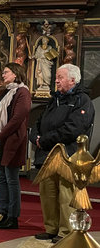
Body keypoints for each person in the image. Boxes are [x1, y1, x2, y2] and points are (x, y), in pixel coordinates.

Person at [29, 64, 95, 243]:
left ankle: (65, 231)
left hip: (68, 154)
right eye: (56, 77)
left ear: (73, 80)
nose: (56, 80)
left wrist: (44, 140)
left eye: (60, 77)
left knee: (66, 194)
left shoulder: (82, 101)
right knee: (47, 192)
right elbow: (38, 122)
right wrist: (34, 136)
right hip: (48, 155)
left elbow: (73, 129)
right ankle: (51, 228)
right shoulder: (54, 100)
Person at [0, 63, 31, 229]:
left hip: (12, 140)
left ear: (16, 74)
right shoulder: (3, 92)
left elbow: (17, 118)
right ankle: (3, 213)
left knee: (11, 179)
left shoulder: (22, 92)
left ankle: (13, 217)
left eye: (6, 72)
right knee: (1, 178)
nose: (3, 75)